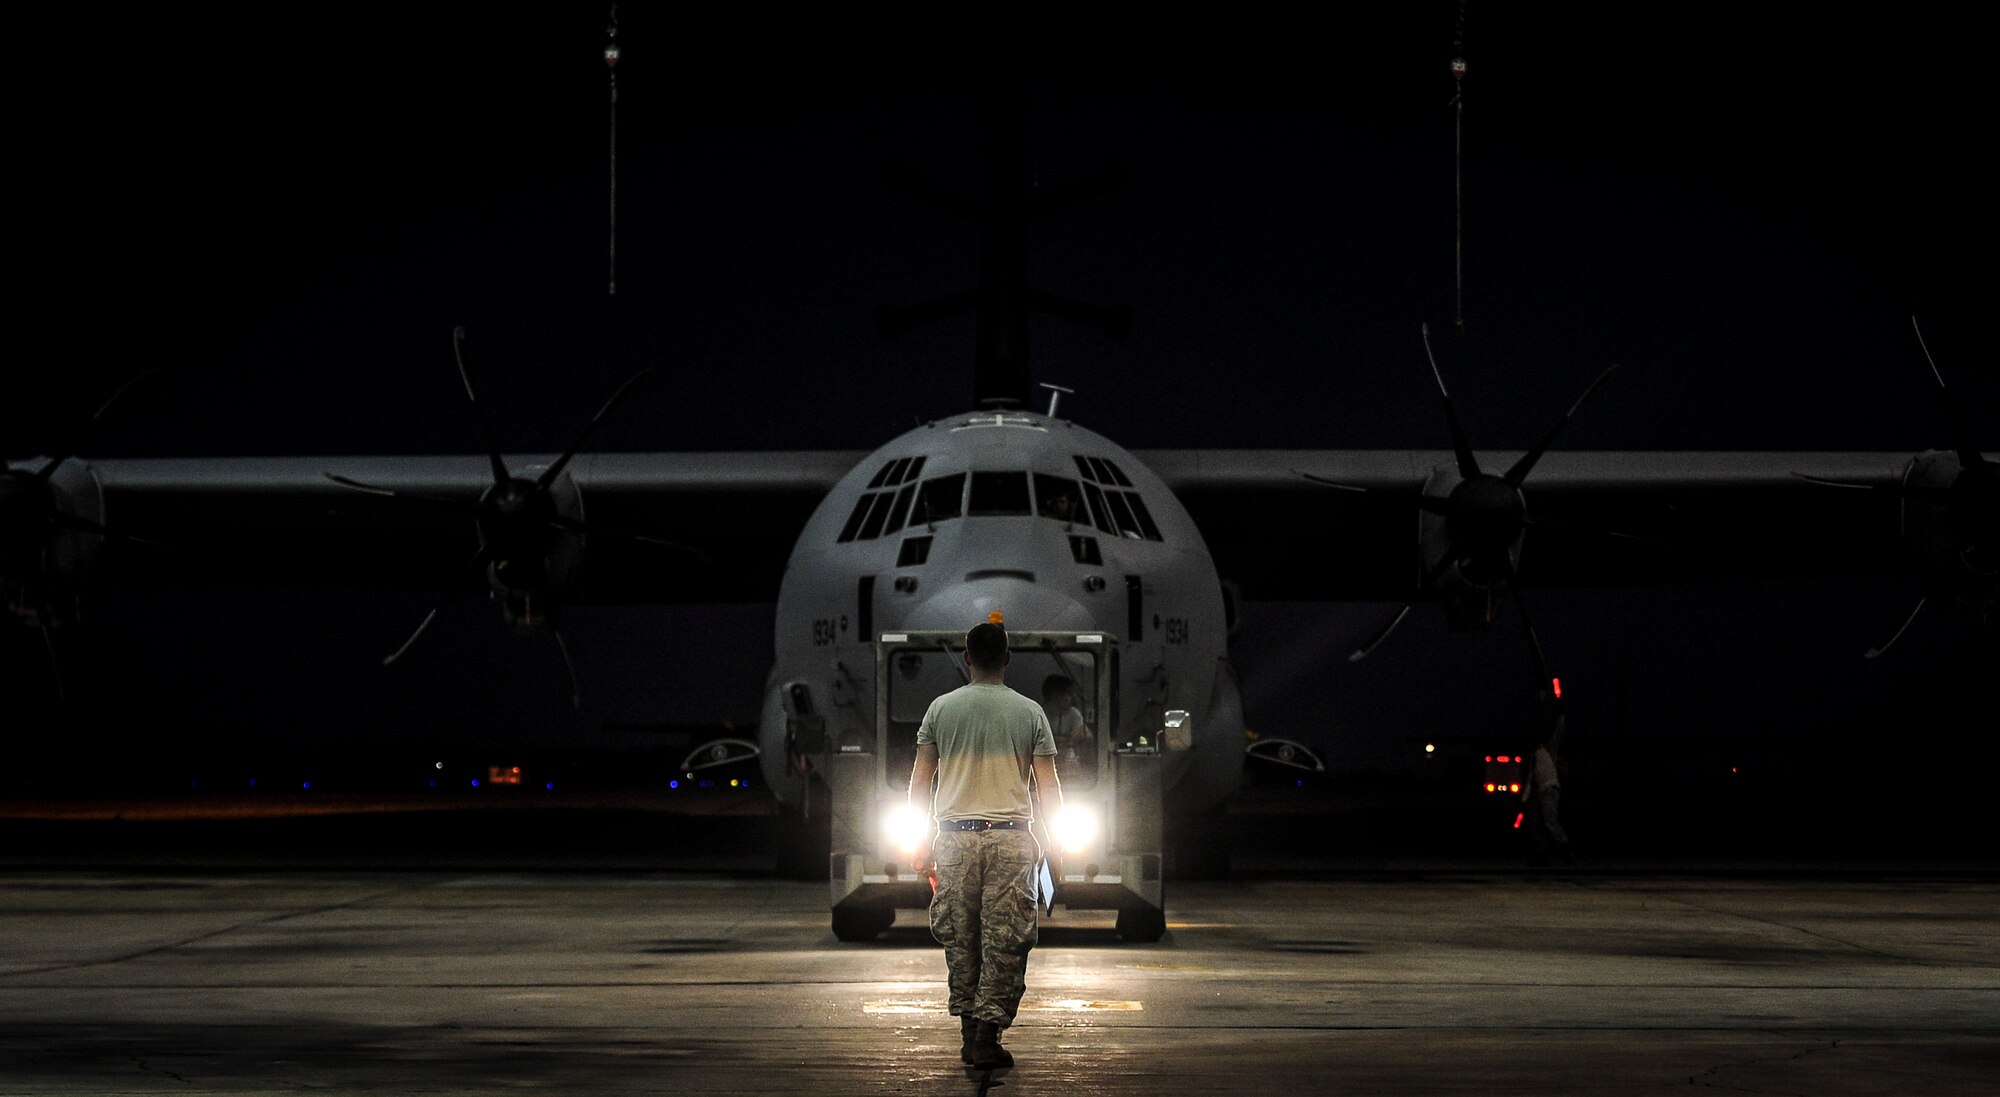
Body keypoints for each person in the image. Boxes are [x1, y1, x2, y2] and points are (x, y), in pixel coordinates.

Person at [908, 621, 1062, 1070]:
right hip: (1012, 839)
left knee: (961, 937)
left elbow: (920, 781)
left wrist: (919, 839)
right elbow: (1049, 789)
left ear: (967, 658)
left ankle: (968, 1032)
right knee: (1005, 940)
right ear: (1008, 659)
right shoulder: (1030, 712)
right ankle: (986, 1035)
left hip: (954, 839)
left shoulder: (941, 709)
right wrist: (1051, 845)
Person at [1523, 717, 1572, 865]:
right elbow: (1530, 780)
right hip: (1541, 791)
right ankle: (1543, 853)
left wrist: (1561, 716)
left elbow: (1558, 732)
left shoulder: (1549, 749)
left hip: (1550, 788)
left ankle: (1566, 848)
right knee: (1537, 823)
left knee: (1549, 821)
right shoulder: (1533, 757)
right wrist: (1524, 800)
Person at [1040, 675, 1095, 777]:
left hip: (1069, 767)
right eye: (1068, 693)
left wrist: (1086, 735)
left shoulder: (1073, 714)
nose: (1071, 697)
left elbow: (1085, 737)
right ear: (1055, 695)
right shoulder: (1038, 714)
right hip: (1044, 767)